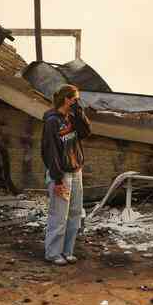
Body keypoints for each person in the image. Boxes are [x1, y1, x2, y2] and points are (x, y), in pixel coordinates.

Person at [41, 84, 91, 265]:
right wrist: (57, 179)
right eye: (75, 99)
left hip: (76, 170)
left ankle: (67, 251)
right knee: (59, 215)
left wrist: (79, 113)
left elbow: (86, 132)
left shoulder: (72, 117)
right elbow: (50, 151)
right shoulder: (52, 121)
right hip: (61, 173)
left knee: (75, 213)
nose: (77, 102)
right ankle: (53, 253)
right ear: (66, 99)